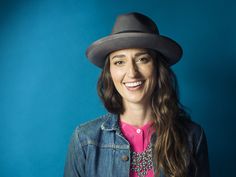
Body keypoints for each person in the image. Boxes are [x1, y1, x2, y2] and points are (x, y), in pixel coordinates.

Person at [63, 12, 210, 177]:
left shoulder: (192, 137)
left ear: (157, 68)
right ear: (110, 72)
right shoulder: (85, 140)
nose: (132, 73)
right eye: (119, 62)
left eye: (142, 59)